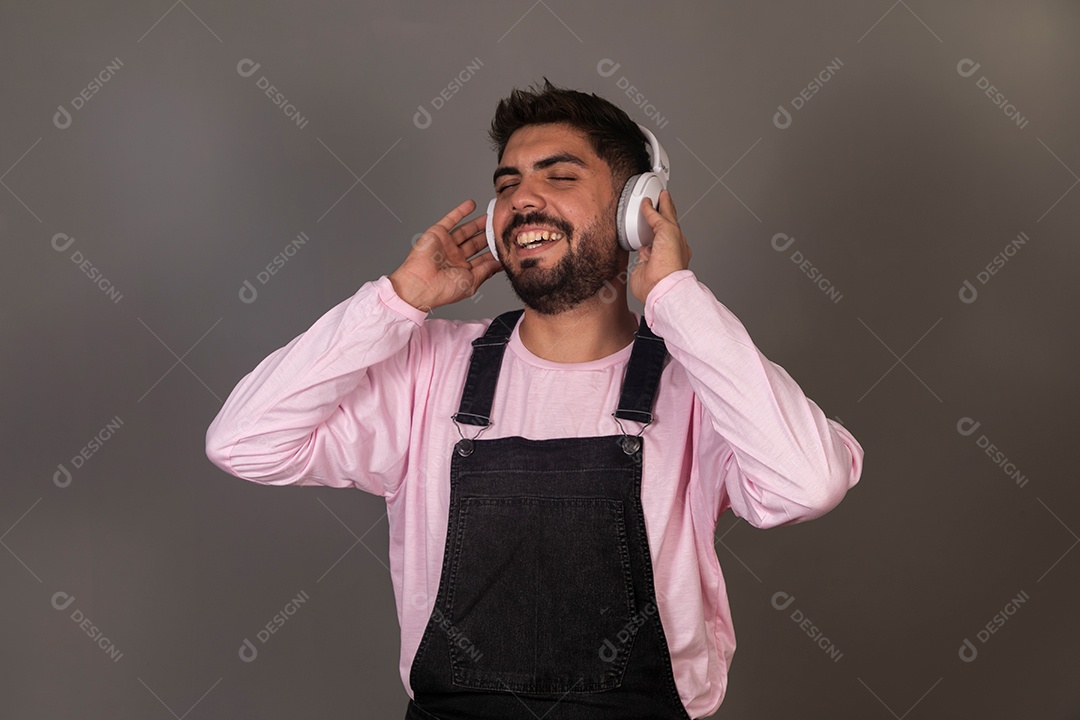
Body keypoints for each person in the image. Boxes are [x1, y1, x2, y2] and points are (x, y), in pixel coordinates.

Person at [206, 79, 863, 719]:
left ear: (640, 209)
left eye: (560, 175)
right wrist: (394, 303)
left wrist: (677, 300)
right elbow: (243, 441)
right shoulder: (427, 368)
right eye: (507, 184)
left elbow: (809, 483)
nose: (523, 199)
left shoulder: (703, 381)